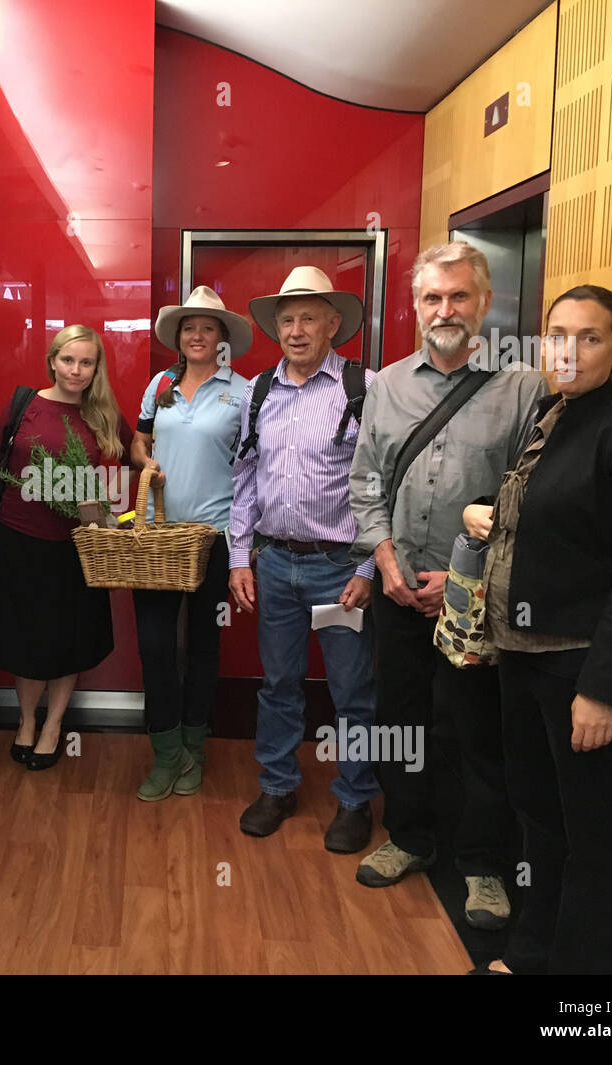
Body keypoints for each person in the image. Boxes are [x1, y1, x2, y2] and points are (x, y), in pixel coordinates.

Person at [463, 287, 612, 974]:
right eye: (557, 334)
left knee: (597, 836)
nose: (569, 349)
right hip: (524, 658)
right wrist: (486, 512)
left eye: (590, 337)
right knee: (542, 819)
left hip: (579, 670)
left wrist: (602, 689)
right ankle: (533, 956)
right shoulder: (550, 415)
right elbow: (553, 518)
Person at [349, 241, 548, 930]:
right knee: (398, 721)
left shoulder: (523, 387)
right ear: (414, 307)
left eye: (459, 296)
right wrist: (385, 560)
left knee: (478, 732)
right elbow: (365, 482)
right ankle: (409, 834)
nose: (446, 309)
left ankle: (485, 864)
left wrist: (465, 579)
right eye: (432, 298)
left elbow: (528, 502)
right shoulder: (388, 386)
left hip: (475, 605)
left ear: (485, 302)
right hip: (398, 594)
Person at [227, 267, 379, 848]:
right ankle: (278, 785)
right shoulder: (257, 391)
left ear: (333, 325)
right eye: (286, 319)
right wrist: (240, 558)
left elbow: (380, 483)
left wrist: (368, 568)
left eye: (308, 317)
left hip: (340, 569)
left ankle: (356, 799)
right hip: (275, 565)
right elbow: (244, 477)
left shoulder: (364, 387)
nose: (295, 329)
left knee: (351, 690)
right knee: (279, 683)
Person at [0, 325, 133, 770]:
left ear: (96, 367)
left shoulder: (102, 413)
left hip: (78, 547)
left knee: (69, 640)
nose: (76, 370)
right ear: (53, 360)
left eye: (86, 362)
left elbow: (130, 455)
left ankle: (53, 725)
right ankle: (26, 721)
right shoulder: (26, 403)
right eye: (68, 360)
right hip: (21, 541)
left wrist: (145, 465)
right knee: (25, 639)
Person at [128, 286, 251, 800]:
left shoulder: (244, 393)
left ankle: (196, 749)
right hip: (158, 538)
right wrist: (144, 461)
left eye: (208, 327)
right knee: (156, 647)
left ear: (222, 337)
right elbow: (140, 437)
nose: (197, 336)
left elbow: (252, 469)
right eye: (189, 328)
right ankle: (166, 754)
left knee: (204, 645)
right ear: (178, 338)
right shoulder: (160, 384)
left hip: (215, 540)